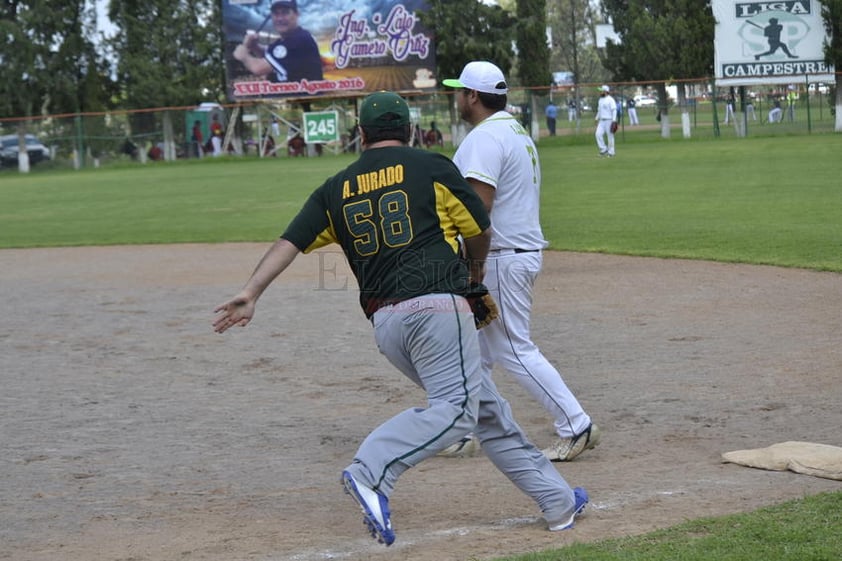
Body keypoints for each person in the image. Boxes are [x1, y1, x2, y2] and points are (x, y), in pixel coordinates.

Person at [212, 91, 588, 546]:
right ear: (407, 130)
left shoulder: (334, 189)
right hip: (437, 311)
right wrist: (474, 273)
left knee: (488, 412)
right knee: (457, 413)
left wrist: (251, 292)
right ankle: (370, 472)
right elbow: (480, 230)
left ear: (362, 133)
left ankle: (557, 500)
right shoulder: (431, 166)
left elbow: (289, 242)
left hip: (388, 326)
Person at [442, 61, 601, 463]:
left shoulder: (485, 138)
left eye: (460, 90)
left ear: (473, 97)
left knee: (513, 348)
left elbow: (478, 209)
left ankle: (575, 423)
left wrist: (470, 264)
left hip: (498, 257)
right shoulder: (513, 130)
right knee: (472, 351)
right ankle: (462, 428)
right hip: (510, 253)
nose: (457, 96)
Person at [233, 0, 323, 83]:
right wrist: (254, 46)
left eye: (285, 13)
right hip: (291, 97)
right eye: (276, 14)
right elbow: (268, 55)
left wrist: (243, 55)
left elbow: (258, 68)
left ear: (296, 14)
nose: (280, 18)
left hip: (299, 98)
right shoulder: (284, 40)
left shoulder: (299, 39)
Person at [594, 84, 618, 157]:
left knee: (610, 136)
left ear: (606, 91)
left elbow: (614, 110)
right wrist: (596, 118)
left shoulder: (610, 99)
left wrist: (613, 120)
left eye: (601, 91)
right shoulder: (600, 100)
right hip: (602, 121)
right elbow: (599, 110)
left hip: (609, 120)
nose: (600, 92)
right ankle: (603, 149)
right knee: (598, 134)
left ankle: (611, 152)